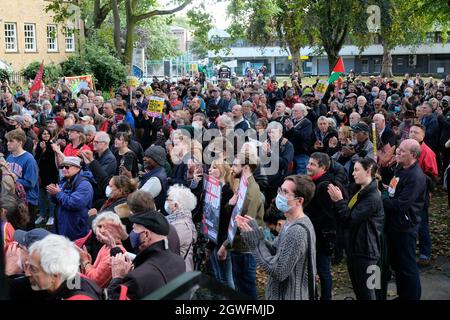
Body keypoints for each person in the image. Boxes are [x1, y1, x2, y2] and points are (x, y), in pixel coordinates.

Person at [237, 175, 317, 300]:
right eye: (280, 190)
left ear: (299, 201)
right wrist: (255, 233)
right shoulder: (290, 222)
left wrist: (254, 242)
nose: (279, 195)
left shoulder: (297, 231)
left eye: (285, 192)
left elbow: (278, 271)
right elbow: (275, 250)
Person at [327, 157, 384, 300]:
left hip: (368, 253)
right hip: (356, 251)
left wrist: (339, 201)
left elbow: (349, 219)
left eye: (357, 170)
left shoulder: (373, 197)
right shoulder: (360, 192)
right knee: (361, 292)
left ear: (368, 171)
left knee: (369, 293)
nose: (353, 173)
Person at [107, 210, 186, 300]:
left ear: (146, 235)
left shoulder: (137, 278)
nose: (132, 233)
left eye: (134, 229)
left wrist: (117, 278)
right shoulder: (179, 261)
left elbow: (117, 297)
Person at [383, 139, 427, 300]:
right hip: (394, 225)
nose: (398, 152)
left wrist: (380, 200)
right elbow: (394, 190)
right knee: (398, 265)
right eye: (399, 149)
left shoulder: (415, 176)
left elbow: (401, 204)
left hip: (405, 227)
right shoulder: (400, 169)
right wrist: (385, 188)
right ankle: (404, 295)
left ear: (413, 155)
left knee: (407, 266)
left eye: (402, 151)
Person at [218, 153, 265, 300]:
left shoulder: (250, 192)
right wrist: (230, 204)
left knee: (246, 290)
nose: (232, 168)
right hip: (239, 246)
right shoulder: (243, 186)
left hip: (245, 249)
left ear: (245, 167)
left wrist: (225, 245)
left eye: (235, 165)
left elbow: (243, 224)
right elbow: (232, 214)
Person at [26, 234, 103, 300]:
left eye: (33, 269)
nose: (27, 274)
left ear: (54, 275)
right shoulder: (73, 278)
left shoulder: (78, 296)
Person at [408, 124, 438, 267]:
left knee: (421, 224)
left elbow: (433, 175)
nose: (412, 134)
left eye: (416, 132)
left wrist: (428, 190)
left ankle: (425, 253)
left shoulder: (427, 152)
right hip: (408, 192)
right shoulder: (407, 148)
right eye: (411, 131)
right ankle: (412, 250)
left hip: (421, 194)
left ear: (423, 135)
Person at [47, 156, 94, 241]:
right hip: (63, 226)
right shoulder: (65, 181)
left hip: (75, 230)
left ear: (77, 168)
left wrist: (58, 193)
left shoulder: (85, 184)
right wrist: (52, 194)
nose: (64, 169)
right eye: (62, 167)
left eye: (67, 167)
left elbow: (74, 203)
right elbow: (58, 201)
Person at [78, 212, 127, 288]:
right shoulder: (105, 247)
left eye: (101, 226)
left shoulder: (115, 253)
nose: (98, 232)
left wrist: (86, 262)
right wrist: (88, 262)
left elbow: (94, 282)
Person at [4, 129, 39, 229]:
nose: (7, 143)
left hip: (27, 201)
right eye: (7, 141)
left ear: (20, 142)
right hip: (13, 199)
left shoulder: (29, 159)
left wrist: (14, 179)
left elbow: (30, 183)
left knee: (26, 229)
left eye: (11, 141)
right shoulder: (9, 157)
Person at [165, 184, 198, 271]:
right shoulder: (178, 220)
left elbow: (166, 246)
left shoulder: (182, 225)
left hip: (180, 273)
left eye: (168, 200)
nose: (166, 202)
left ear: (176, 205)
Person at [34, 127, 59, 226]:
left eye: (48, 133)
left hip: (51, 174)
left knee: (50, 197)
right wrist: (39, 149)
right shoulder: (38, 145)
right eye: (44, 134)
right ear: (40, 135)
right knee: (41, 196)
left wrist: (45, 150)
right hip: (41, 175)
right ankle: (42, 214)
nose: (46, 135)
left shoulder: (52, 145)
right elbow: (36, 159)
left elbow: (51, 160)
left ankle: (52, 216)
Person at [285, 103, 313, 175]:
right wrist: (287, 129)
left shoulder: (307, 122)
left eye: (296, 111)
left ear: (303, 112)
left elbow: (304, 136)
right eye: (293, 111)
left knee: (301, 176)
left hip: (301, 153)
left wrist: (292, 129)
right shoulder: (291, 121)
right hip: (291, 153)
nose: (293, 113)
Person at [139, 145, 169, 211]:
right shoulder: (158, 171)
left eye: (148, 157)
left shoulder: (155, 180)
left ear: (156, 160)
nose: (144, 158)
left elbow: (138, 199)